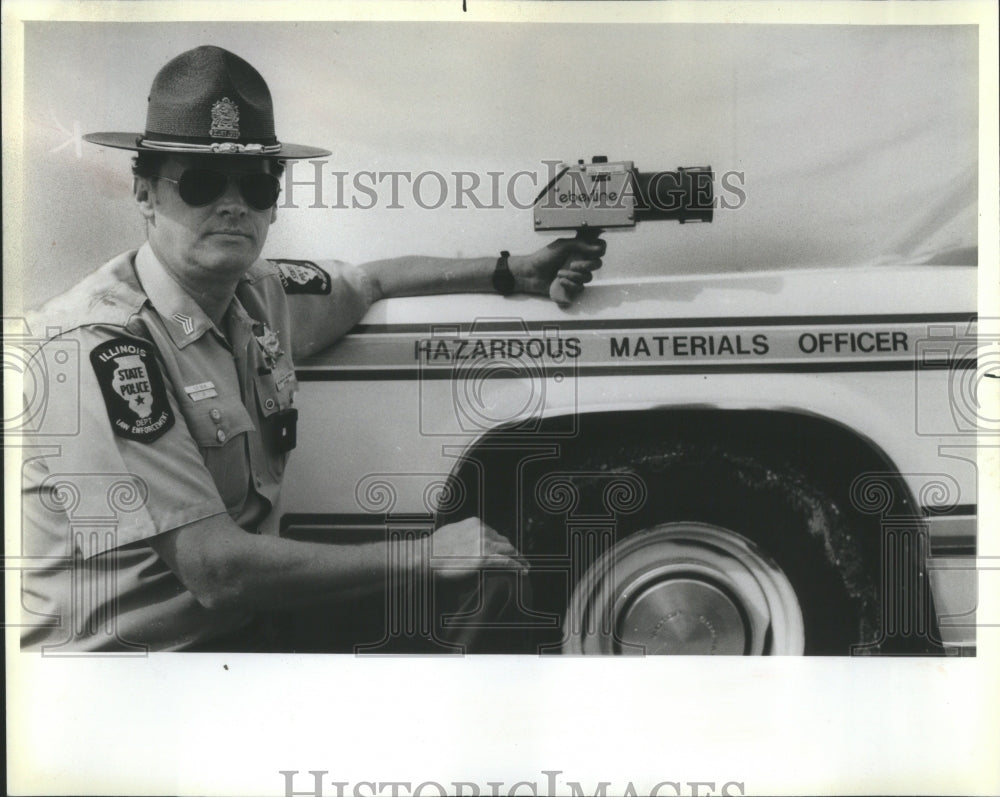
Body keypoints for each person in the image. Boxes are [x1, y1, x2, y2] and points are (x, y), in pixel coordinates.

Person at [19, 45, 604, 652]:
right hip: (129, 675)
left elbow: (371, 280)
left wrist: (514, 271)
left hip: (239, 635)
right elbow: (217, 572)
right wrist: (425, 556)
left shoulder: (257, 295)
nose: (233, 203)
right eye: (199, 182)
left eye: (256, 184)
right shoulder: (98, 348)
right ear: (145, 193)